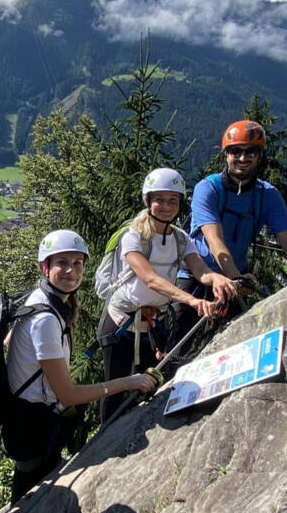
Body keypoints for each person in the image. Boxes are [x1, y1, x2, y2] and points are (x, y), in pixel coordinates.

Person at [1, 229, 157, 501]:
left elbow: (8, 341)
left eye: (77, 263)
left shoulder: (37, 299)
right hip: (34, 428)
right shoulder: (46, 319)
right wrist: (129, 382)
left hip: (24, 421)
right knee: (29, 503)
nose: (71, 271)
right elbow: (69, 395)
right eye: (62, 262)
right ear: (45, 267)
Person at [99, 169, 238, 422]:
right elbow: (150, 278)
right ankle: (105, 448)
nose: (166, 206)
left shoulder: (181, 239)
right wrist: (192, 300)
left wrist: (218, 278)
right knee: (115, 391)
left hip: (151, 324)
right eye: (159, 199)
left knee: (144, 389)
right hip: (120, 323)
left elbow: (201, 271)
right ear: (148, 201)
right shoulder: (133, 237)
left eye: (172, 200)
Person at [170, 120, 287, 351]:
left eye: (251, 152)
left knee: (232, 349)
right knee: (176, 344)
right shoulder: (208, 189)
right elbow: (214, 240)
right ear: (226, 154)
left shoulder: (267, 195)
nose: (243, 158)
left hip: (235, 278)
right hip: (197, 274)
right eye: (236, 151)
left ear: (259, 155)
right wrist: (237, 278)